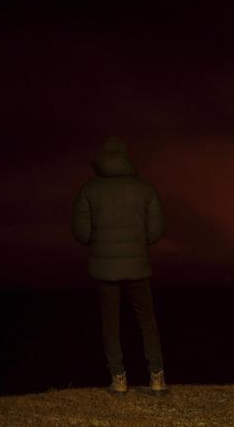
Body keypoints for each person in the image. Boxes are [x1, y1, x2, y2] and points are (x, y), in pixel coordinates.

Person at [70, 136, 167, 395]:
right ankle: (157, 377)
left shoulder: (89, 190)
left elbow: (80, 232)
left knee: (110, 323)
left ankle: (119, 379)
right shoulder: (145, 188)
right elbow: (156, 230)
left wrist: (101, 241)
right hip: (138, 267)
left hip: (104, 271)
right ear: (126, 160)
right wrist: (136, 243)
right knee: (147, 321)